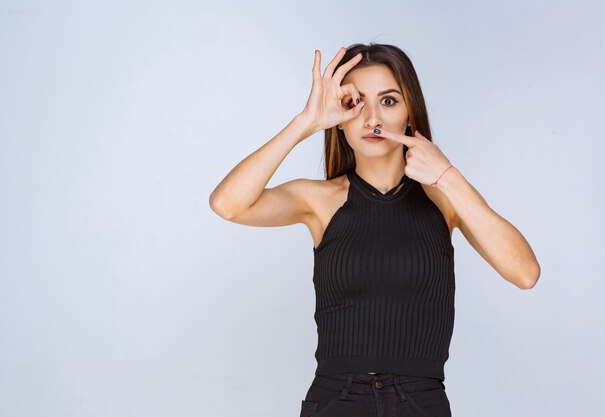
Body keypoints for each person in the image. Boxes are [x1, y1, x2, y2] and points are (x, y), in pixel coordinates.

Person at [209, 42, 541, 417]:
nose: (371, 119)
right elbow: (228, 204)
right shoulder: (320, 201)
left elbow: (525, 273)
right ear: (340, 117)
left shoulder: (444, 200)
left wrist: (447, 176)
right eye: (355, 103)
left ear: (410, 112)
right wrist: (307, 122)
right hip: (337, 400)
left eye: (388, 101)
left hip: (420, 401)